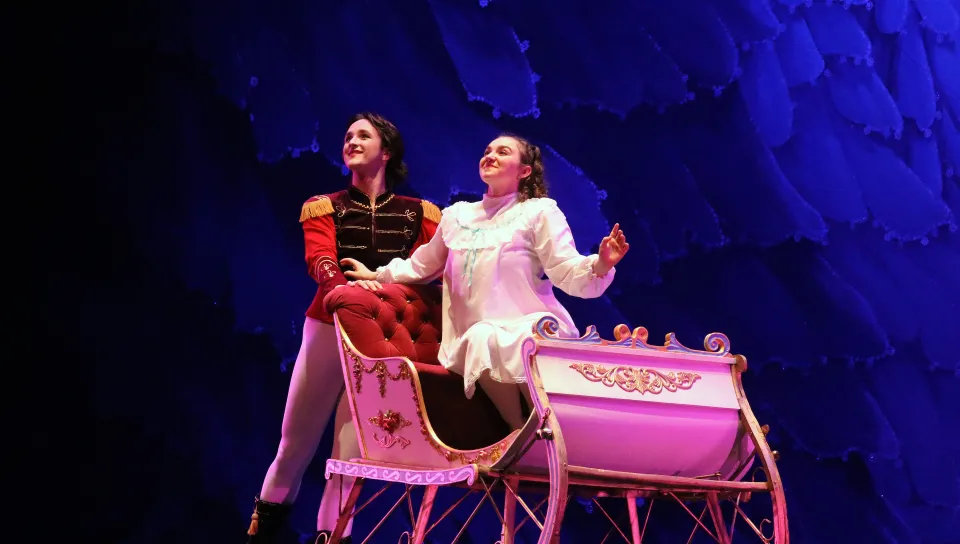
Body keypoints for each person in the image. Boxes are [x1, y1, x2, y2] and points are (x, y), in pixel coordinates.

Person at [341, 133, 629, 430]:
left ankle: (550, 428)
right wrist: (376, 274)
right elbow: (422, 264)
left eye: (503, 152)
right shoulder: (458, 216)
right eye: (487, 150)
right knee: (482, 337)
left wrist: (601, 263)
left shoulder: (538, 211)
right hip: (473, 337)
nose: (490, 155)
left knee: (512, 341)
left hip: (530, 324)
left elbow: (565, 269)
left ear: (524, 171)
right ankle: (517, 430)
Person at [246, 112, 443, 544]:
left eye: (363, 136)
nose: (351, 141)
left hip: (384, 337)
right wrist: (351, 290)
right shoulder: (324, 207)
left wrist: (383, 282)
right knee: (293, 446)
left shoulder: (422, 215)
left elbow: (428, 271)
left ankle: (330, 538)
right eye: (348, 136)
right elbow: (320, 260)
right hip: (329, 325)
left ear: (386, 151)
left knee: (347, 455)